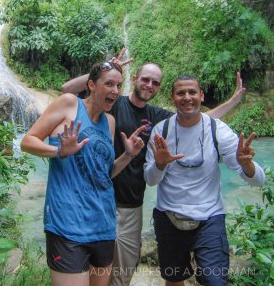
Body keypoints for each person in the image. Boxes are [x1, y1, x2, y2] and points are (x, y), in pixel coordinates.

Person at [61, 51, 245, 286]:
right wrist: (105, 69)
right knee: (90, 270)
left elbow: (197, 117)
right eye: (145, 79)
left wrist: (233, 101)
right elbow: (68, 90)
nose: (149, 85)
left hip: (131, 205)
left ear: (159, 88)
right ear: (135, 78)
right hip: (97, 200)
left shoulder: (158, 118)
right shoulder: (112, 102)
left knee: (122, 275)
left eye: (155, 82)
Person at [20, 61, 147, 286]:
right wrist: (59, 150)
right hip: (68, 225)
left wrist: (128, 155)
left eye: (118, 86)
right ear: (91, 85)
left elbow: (104, 175)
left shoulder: (109, 121)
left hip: (103, 225)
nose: (115, 91)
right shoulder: (69, 104)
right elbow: (27, 142)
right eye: (109, 84)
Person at [144, 74, 265, 286]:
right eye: (181, 93)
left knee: (215, 280)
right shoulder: (160, 131)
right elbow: (150, 180)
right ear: (172, 97)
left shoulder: (218, 130)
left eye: (192, 92)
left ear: (201, 95)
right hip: (169, 216)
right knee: (174, 278)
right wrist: (160, 163)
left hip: (210, 217)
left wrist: (246, 165)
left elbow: (258, 182)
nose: (187, 97)